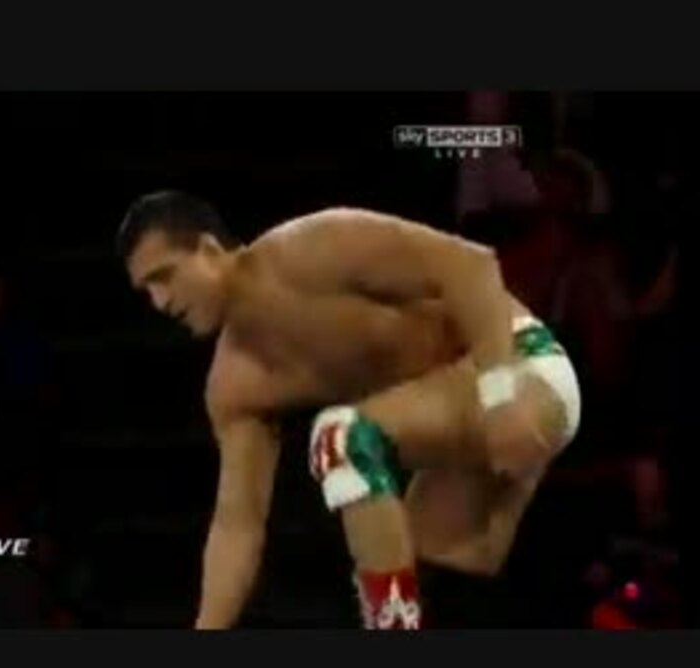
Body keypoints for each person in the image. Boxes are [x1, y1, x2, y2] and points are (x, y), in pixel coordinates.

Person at [116, 190, 582, 630]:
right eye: (146, 291)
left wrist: (500, 396)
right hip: (448, 426)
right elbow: (238, 526)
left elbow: (470, 264)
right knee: (424, 568)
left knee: (341, 438)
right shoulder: (234, 387)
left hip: (517, 366)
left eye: (164, 276)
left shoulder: (311, 247)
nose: (160, 302)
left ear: (208, 249)